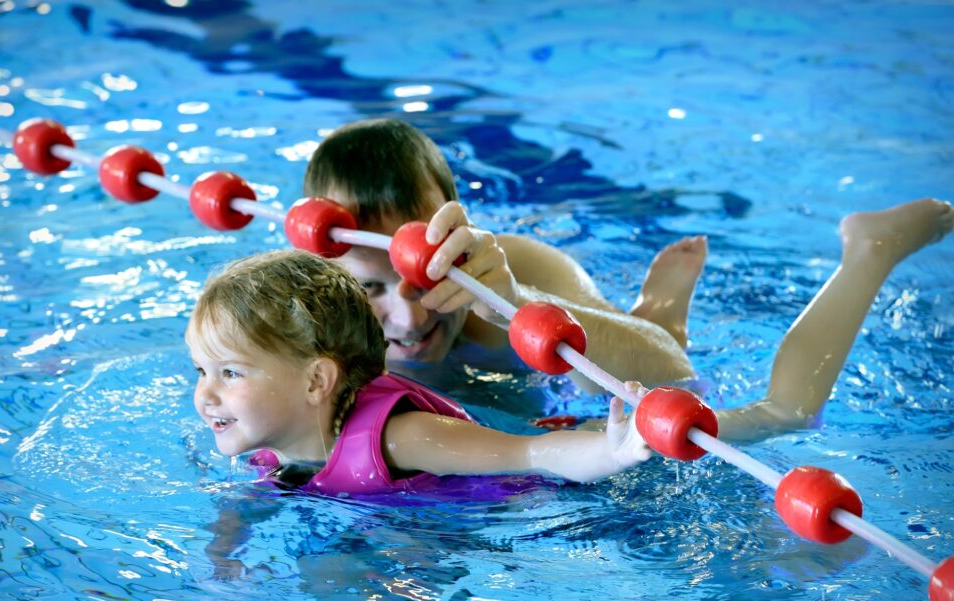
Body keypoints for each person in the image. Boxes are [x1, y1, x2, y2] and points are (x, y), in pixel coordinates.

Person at [304, 118, 953, 441]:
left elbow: (668, 370)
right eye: (371, 289)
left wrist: (515, 307)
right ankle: (656, 307)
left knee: (783, 413)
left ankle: (867, 251)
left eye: (427, 279)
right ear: (324, 276)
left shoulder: (521, 277)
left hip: (582, 350)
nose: (411, 318)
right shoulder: (308, 329)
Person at [186, 250, 652, 494]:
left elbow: (532, 456)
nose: (205, 394)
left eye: (229, 373)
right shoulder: (273, 445)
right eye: (201, 370)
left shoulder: (402, 437)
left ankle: (658, 314)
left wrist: (614, 454)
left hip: (521, 512)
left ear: (315, 382)